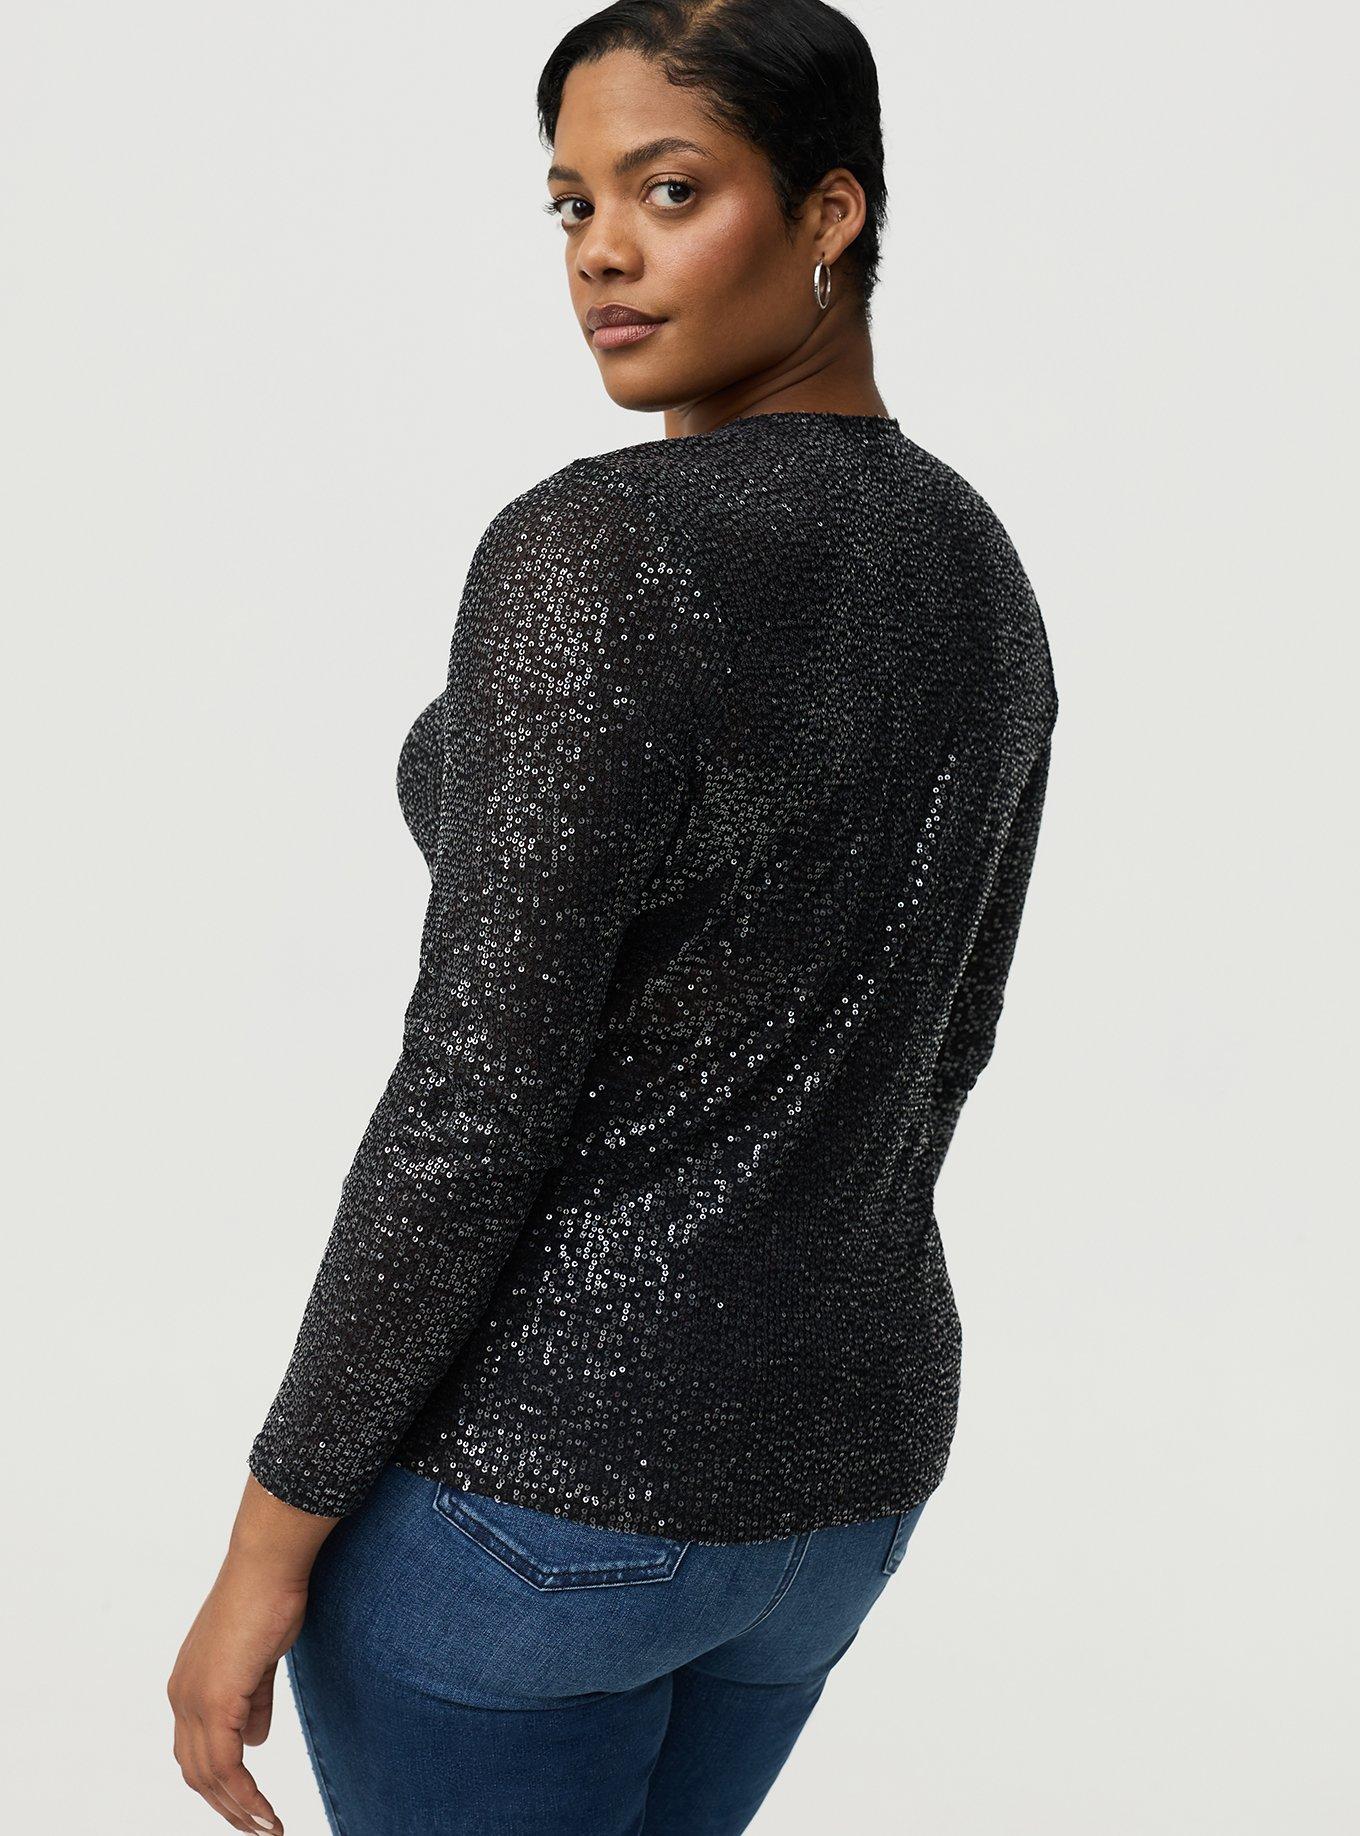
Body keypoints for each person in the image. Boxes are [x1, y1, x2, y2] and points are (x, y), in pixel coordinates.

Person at [167, 3, 1059, 1831]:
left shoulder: (603, 547)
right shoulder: (976, 560)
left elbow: (471, 1106)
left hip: (543, 1501)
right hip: (842, 1485)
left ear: (828, 213)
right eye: (571, 202)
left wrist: (267, 1539)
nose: (599, 253)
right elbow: (945, 1037)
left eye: (669, 190)